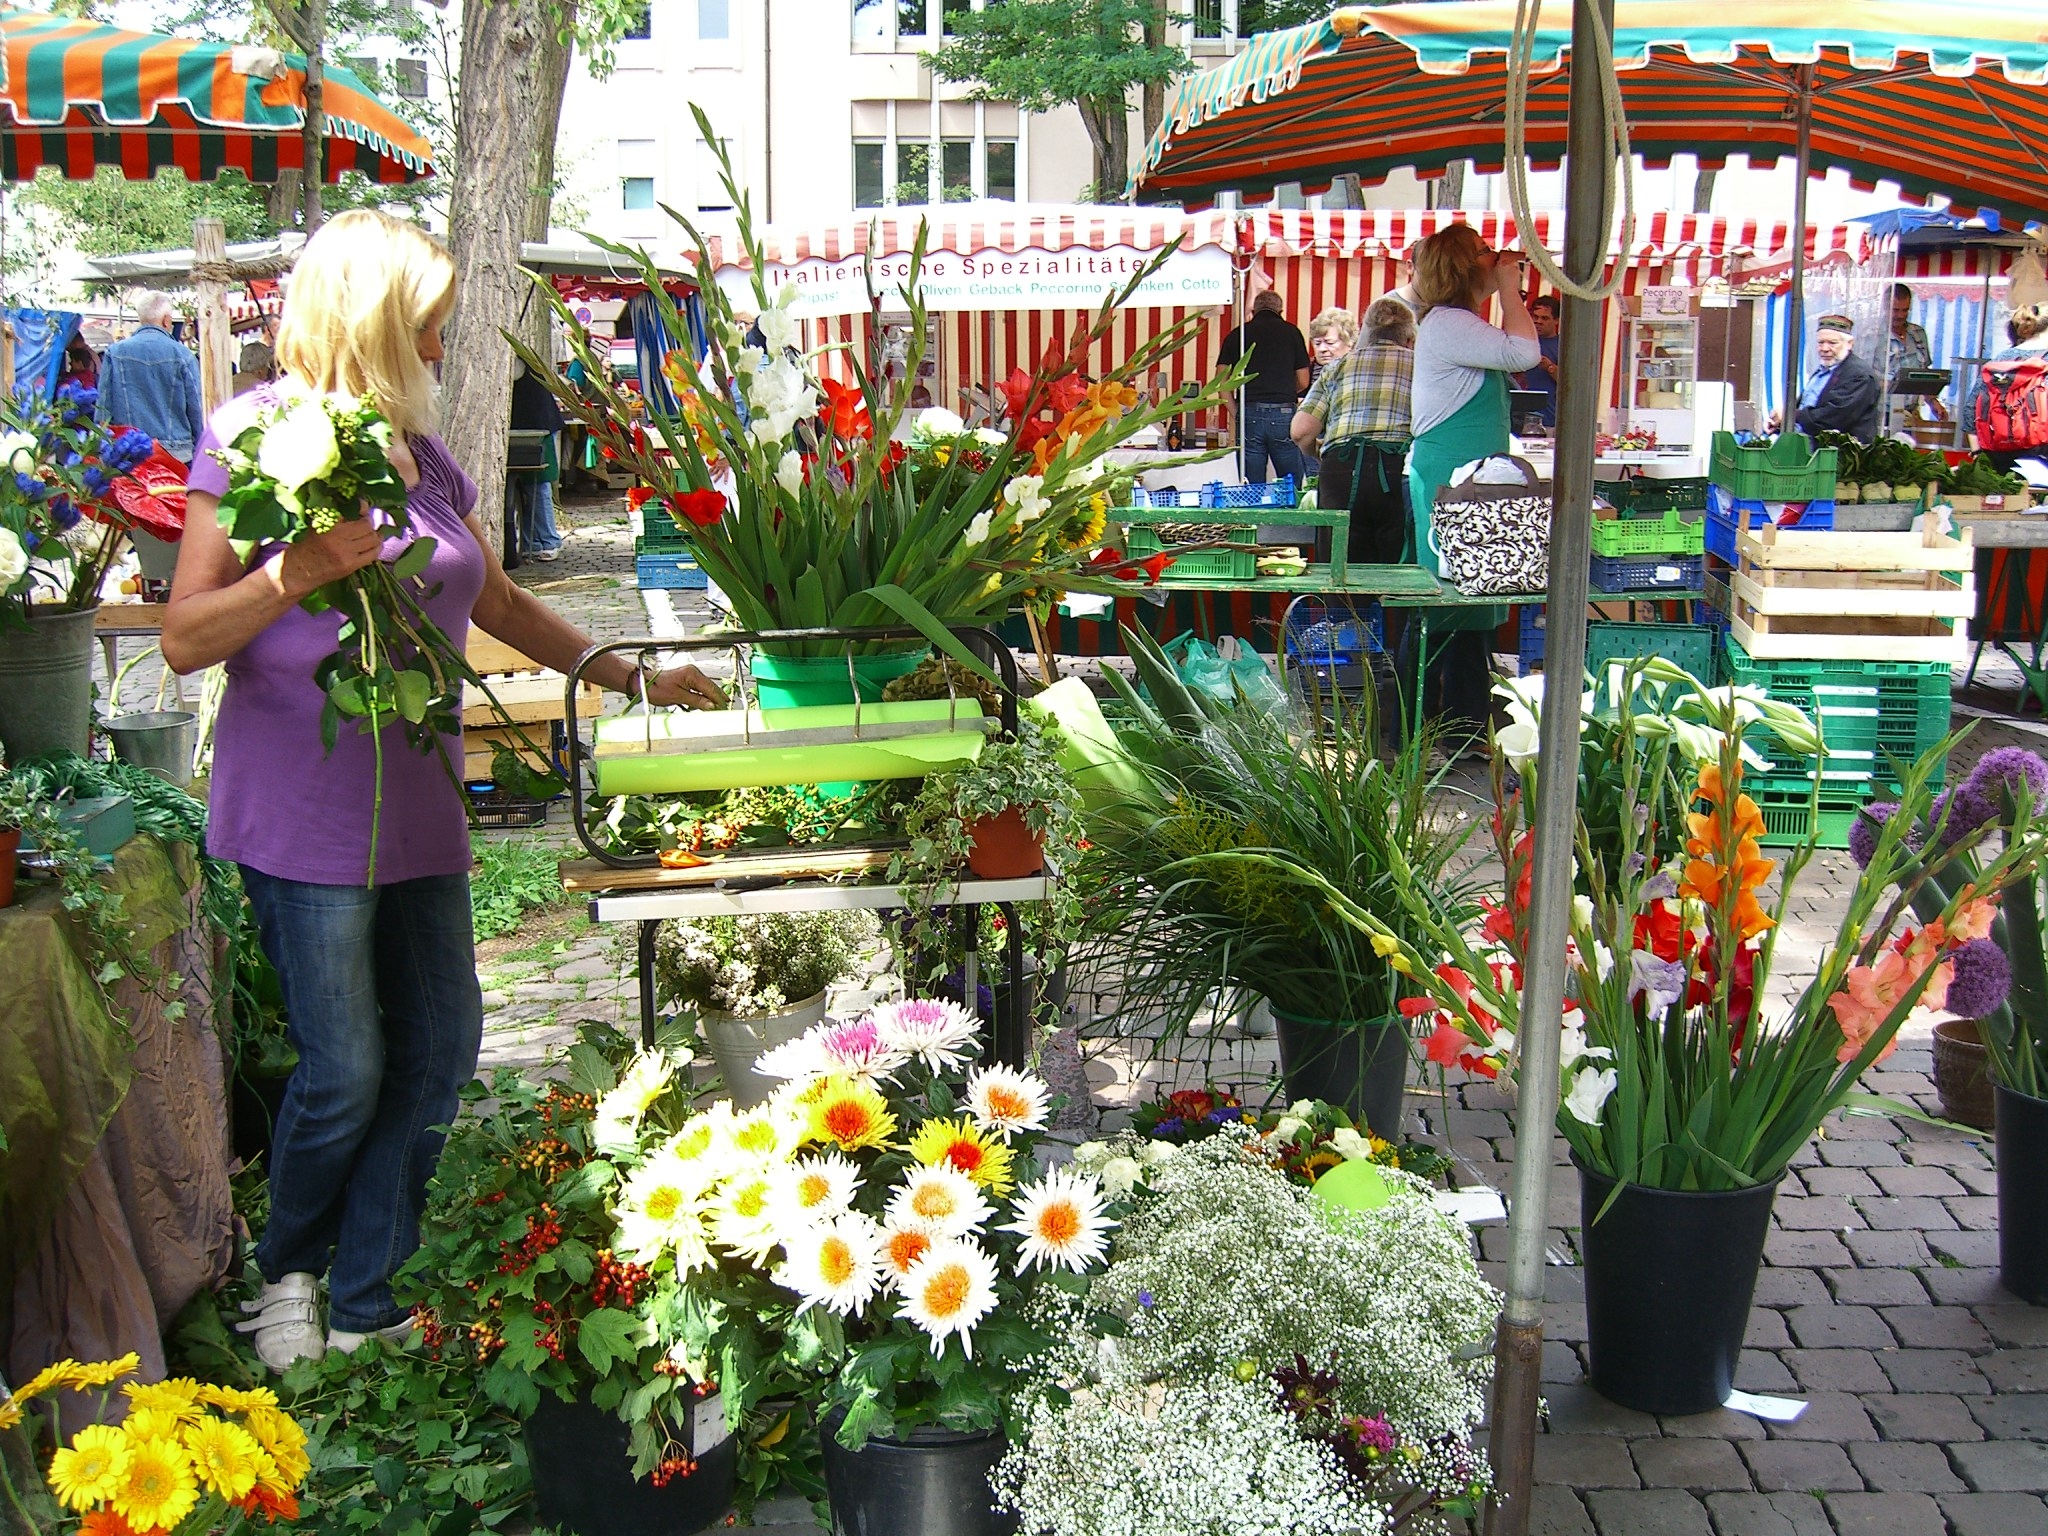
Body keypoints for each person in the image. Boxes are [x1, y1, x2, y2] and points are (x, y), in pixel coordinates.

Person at [161, 210, 726, 1371]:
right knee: (347, 1064)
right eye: (425, 325)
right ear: (371, 320)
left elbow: (501, 603)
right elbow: (181, 641)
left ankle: (367, 1294)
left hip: (416, 803)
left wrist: (630, 673)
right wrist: (293, 572)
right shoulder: (251, 437)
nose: (437, 345)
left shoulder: (424, 459)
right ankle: (290, 1278)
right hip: (298, 811)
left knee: (440, 1044)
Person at [1405, 226, 1541, 746]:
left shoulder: (1457, 323)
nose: (1495, 256)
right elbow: (1525, 352)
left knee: (1471, 603)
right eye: (1485, 252)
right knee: (1443, 603)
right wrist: (1510, 285)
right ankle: (1419, 726)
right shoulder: (1451, 324)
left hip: (1474, 481)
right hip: (1450, 481)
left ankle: (1463, 726)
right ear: (1465, 268)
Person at [1291, 296, 1415, 569]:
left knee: (1340, 570)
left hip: (1340, 470)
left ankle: (1340, 613)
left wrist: (1320, 454)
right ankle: (1393, 613)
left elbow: (1301, 432)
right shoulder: (1421, 365)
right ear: (1409, 337)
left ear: (1367, 331)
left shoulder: (1338, 367)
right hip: (1396, 472)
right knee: (1397, 573)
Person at [1216, 289, 1311, 484]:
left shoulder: (1238, 334)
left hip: (1249, 412)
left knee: (1252, 486)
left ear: (1252, 311)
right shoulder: (1292, 332)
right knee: (1290, 484)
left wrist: (1236, 411)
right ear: (1280, 311)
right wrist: (1283, 391)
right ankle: (1291, 513)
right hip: (1284, 413)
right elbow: (1303, 379)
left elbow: (1221, 380)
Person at [98, 291, 205, 464]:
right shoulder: (183, 355)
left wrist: (103, 449)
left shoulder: (115, 353)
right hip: (176, 454)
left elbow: (103, 407)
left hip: (128, 452)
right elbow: (196, 408)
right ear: (166, 320)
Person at [1773, 314, 1882, 442]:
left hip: (1841, 455)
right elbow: (1807, 407)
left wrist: (1790, 415)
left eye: (1832, 343)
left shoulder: (1859, 375)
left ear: (1849, 344)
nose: (1825, 349)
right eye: (1820, 343)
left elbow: (1833, 418)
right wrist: (1779, 423)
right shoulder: (1822, 372)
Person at [1964, 304, 2048, 470]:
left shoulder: (2001, 359)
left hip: (1999, 453)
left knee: (2007, 496)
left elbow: (1970, 410)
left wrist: (1977, 454)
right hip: (2042, 452)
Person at [509, 358, 567, 561]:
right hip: (526, 425)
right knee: (526, 488)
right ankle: (530, 542)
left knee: (538, 485)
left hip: (537, 427)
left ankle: (549, 540)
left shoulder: (518, 362)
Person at [1517, 295, 1561, 428]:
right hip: (1518, 419)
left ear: (1556, 320)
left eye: (1545, 318)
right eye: (1535, 317)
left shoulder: (1564, 347)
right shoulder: (1520, 343)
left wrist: (1549, 367)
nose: (1538, 321)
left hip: (1549, 421)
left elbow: (1572, 384)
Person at [1306, 307, 1358, 382]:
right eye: (1317, 343)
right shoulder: (1304, 372)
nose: (1322, 349)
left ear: (1349, 342)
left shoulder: (1359, 371)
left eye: (1330, 343)